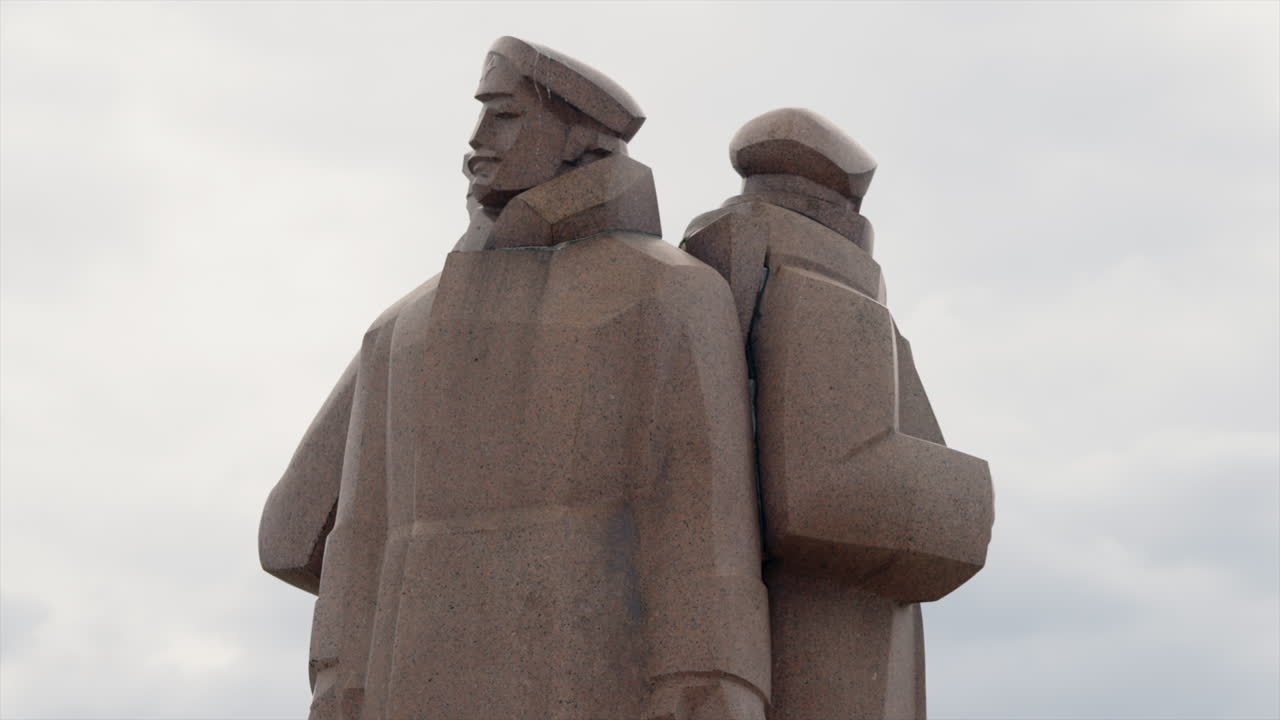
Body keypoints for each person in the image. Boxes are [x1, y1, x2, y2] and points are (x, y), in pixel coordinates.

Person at [259, 37, 770, 720]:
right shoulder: (400, 327)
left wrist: (710, 680)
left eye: (504, 116)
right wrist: (337, 681)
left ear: (579, 141)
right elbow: (353, 535)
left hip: (591, 677)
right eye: (481, 115)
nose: (477, 139)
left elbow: (698, 511)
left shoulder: (666, 292)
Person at [682, 108, 994, 720]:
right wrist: (973, 497)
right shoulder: (819, 275)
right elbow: (828, 485)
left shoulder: (731, 264)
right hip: (826, 631)